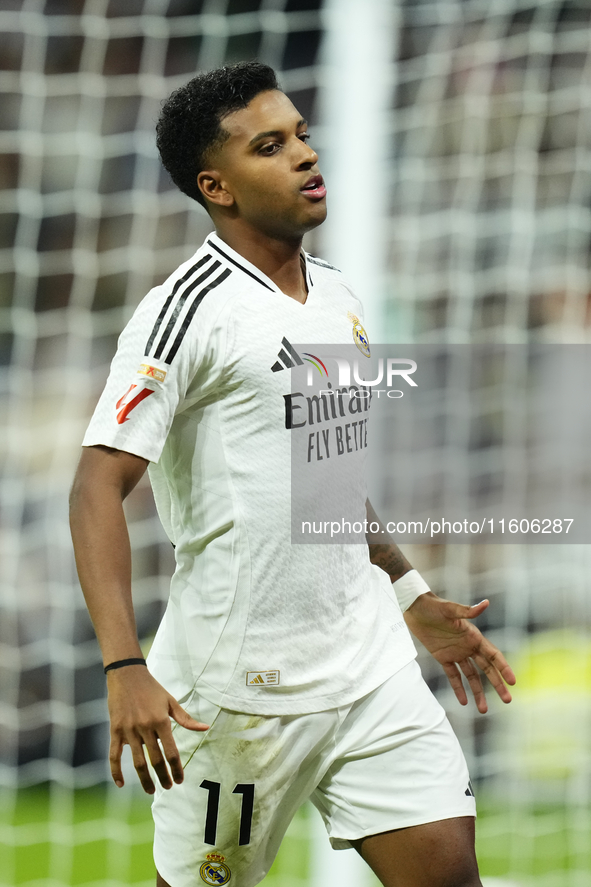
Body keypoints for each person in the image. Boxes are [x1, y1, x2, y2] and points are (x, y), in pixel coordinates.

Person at [69, 61, 515, 887]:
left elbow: (328, 474)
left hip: (368, 669)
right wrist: (124, 667)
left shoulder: (337, 297)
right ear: (218, 186)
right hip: (237, 695)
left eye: (302, 135)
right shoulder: (185, 309)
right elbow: (96, 483)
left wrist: (410, 593)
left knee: (450, 875)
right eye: (270, 146)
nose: (305, 155)